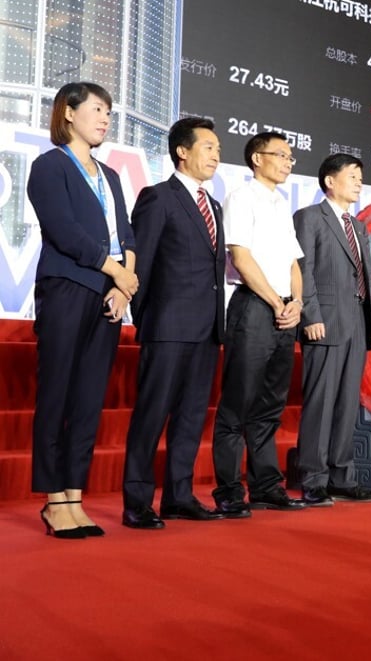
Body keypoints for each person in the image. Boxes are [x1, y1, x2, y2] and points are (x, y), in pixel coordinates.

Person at [27, 81, 138, 539]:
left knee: (90, 397)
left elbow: (127, 236)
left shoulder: (110, 175)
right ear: (68, 113)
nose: (105, 118)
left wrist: (124, 288)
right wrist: (117, 272)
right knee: (58, 394)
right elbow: (65, 232)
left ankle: (75, 495)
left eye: (109, 112)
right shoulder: (49, 167)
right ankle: (54, 501)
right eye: (97, 109)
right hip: (68, 287)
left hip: (108, 294)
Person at [120, 117, 227, 529]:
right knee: (152, 414)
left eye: (218, 149)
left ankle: (179, 496)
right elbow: (141, 262)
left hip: (206, 330)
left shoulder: (214, 205)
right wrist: (145, 318)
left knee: (190, 416)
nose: (216, 155)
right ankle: (137, 501)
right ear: (182, 151)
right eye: (208, 147)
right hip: (167, 327)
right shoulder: (157, 197)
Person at [210, 132, 306, 515]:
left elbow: (293, 263)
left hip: (284, 313)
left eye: (290, 156)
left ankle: (267, 486)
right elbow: (241, 255)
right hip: (252, 307)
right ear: (256, 158)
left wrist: (296, 302)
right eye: (280, 154)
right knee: (238, 403)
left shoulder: (283, 204)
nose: (287, 162)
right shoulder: (241, 197)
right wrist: (274, 299)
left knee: (271, 404)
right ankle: (229, 491)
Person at [292, 154, 371, 506]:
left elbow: (367, 279)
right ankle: (313, 479)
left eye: (360, 176)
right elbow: (304, 271)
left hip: (356, 323)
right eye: (352, 175)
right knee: (320, 403)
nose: (359, 182)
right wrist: (311, 315)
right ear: (329, 181)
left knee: (347, 403)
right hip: (324, 322)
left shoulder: (358, 226)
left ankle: (342, 476)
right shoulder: (309, 218)